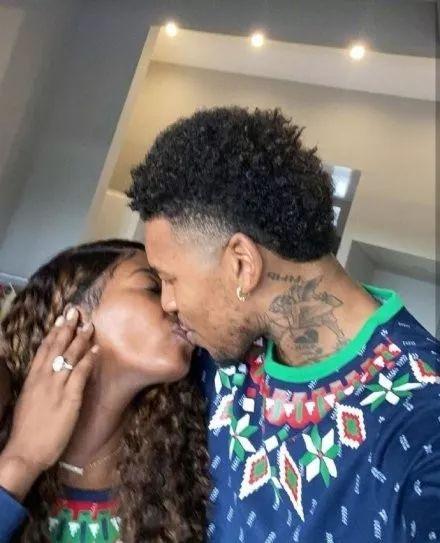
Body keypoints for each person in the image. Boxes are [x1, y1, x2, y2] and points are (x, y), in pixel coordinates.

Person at [127, 106, 440, 542]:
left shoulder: (424, 433)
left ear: (242, 264)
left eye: (170, 279)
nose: (168, 303)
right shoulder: (215, 362)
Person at [0, 239, 209, 542]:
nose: (176, 303)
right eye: (153, 288)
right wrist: (22, 461)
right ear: (74, 318)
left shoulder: (186, 458)